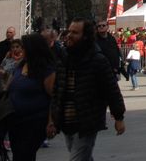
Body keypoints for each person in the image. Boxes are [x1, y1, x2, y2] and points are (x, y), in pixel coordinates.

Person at [47, 18, 127, 160]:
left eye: (75, 32)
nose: (69, 35)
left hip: (87, 120)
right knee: (83, 157)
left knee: (77, 158)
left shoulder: (97, 60)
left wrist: (119, 117)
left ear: (85, 36)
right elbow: (58, 91)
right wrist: (52, 118)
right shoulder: (64, 58)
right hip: (67, 121)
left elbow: (111, 89)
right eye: (69, 31)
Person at [8, 33, 55, 161]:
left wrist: (51, 122)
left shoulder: (46, 69)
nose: (20, 50)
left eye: (24, 48)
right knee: (18, 155)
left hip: (34, 122)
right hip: (15, 121)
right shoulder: (20, 65)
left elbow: (54, 97)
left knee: (25, 154)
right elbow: (9, 87)